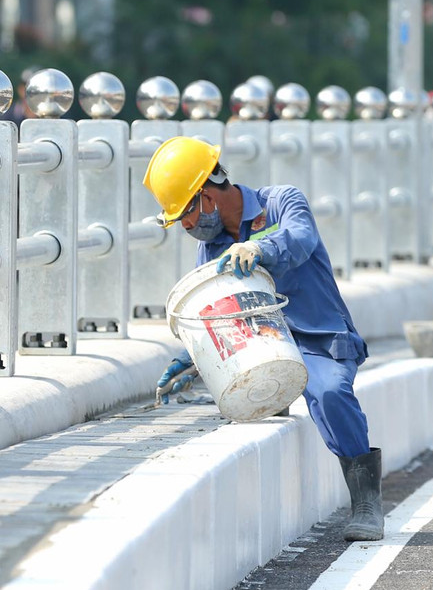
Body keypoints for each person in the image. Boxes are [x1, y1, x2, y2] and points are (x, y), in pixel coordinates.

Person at [145, 136, 382, 542]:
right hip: (264, 343)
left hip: (320, 337)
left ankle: (366, 503)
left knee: (329, 393)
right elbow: (218, 307)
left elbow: (301, 238)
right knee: (241, 396)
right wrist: (192, 357)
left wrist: (261, 247)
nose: (186, 225)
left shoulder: (281, 202)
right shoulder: (214, 248)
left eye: (185, 213)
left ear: (207, 195)